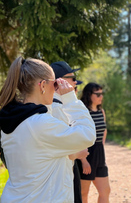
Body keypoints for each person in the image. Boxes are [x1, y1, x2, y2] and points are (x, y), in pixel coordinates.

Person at [0, 57, 96, 203]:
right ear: (42, 85)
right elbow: (87, 135)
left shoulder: (15, 120)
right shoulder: (40, 124)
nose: (56, 88)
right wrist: (71, 100)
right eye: (54, 83)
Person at [51, 61, 88, 203]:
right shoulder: (56, 108)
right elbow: (87, 136)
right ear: (59, 81)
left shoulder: (62, 105)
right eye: (72, 78)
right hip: (60, 175)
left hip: (68, 170)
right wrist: (79, 154)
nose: (75, 81)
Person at [78, 83, 110, 203]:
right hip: (86, 153)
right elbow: (79, 137)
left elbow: (104, 131)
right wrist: (83, 160)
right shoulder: (83, 113)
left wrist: (101, 148)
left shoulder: (101, 112)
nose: (101, 97)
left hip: (99, 153)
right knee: (83, 193)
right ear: (89, 95)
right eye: (97, 94)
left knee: (105, 191)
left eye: (102, 94)